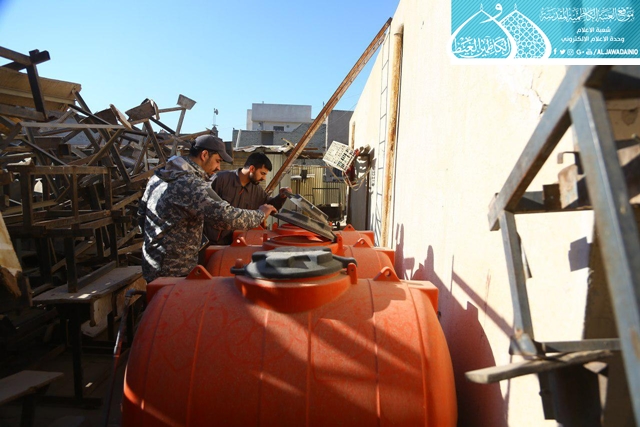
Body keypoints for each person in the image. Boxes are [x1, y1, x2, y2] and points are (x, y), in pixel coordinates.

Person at [138, 135, 276, 282]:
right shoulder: (188, 183)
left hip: (153, 261)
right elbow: (225, 217)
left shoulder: (161, 175)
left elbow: (141, 215)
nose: (219, 167)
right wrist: (260, 214)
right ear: (204, 155)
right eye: (218, 161)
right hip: (173, 269)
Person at [206, 151, 291, 244]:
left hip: (238, 242)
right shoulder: (220, 179)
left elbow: (270, 206)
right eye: (262, 173)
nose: (264, 178)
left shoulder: (257, 190)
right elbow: (202, 204)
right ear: (252, 168)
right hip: (212, 241)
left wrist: (281, 196)